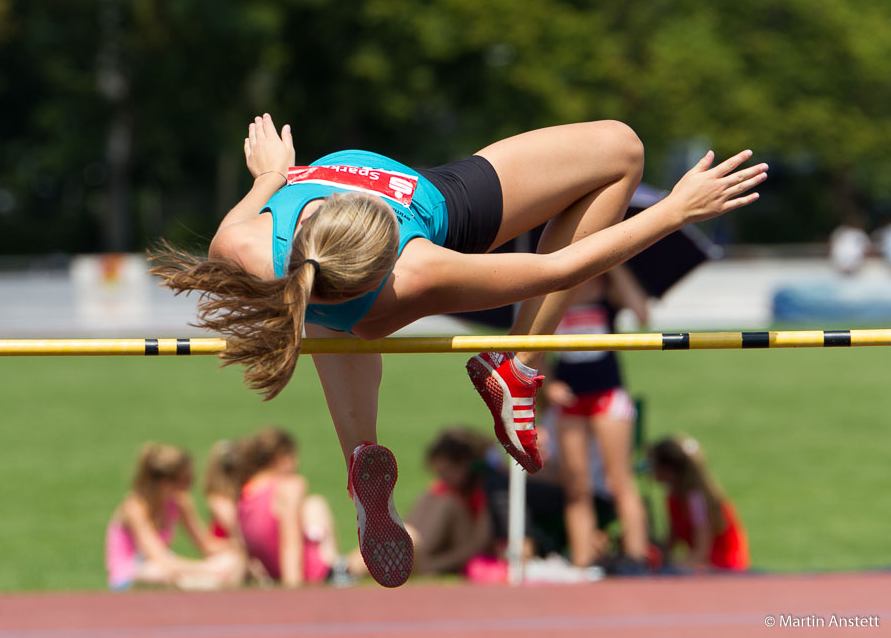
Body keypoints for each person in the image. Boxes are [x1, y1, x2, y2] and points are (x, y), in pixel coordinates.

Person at [150, 113, 767, 587]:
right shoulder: (417, 267)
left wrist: (269, 175)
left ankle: (361, 458)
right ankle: (517, 366)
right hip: (438, 206)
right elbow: (560, 268)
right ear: (387, 248)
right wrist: (673, 211)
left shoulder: (248, 247)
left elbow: (249, 215)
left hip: (331, 301)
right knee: (622, 149)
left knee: (330, 325)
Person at [544, 268, 649, 570]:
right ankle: (583, 562)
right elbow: (535, 346)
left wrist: (616, 266)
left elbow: (642, 315)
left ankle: (637, 558)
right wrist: (549, 385)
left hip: (607, 394)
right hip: (570, 400)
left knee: (619, 479)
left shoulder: (608, 290)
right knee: (576, 486)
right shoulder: (554, 294)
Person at [104, 443, 245, 591]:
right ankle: (205, 582)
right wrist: (207, 569)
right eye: (186, 480)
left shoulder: (179, 503)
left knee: (232, 559)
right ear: (165, 483)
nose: (189, 486)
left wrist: (239, 547)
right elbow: (159, 557)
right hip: (133, 574)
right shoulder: (135, 508)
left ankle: (203, 582)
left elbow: (206, 545)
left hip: (168, 568)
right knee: (155, 572)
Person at [236, 427, 358, 587]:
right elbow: (290, 542)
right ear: (282, 459)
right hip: (320, 574)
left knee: (312, 505)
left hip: (274, 575)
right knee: (315, 505)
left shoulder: (244, 496)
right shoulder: (289, 488)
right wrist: (293, 587)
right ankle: (341, 569)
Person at [647, 435, 750, 572]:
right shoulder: (674, 496)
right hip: (707, 565)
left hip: (723, 567)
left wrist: (671, 568)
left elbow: (701, 553)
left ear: (668, 469)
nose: (650, 471)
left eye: (653, 465)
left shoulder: (696, 500)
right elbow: (671, 542)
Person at [404, 428, 494, 577]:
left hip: (459, 552)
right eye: (439, 472)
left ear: (464, 465)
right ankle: (400, 547)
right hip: (430, 549)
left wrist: (432, 566)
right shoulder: (443, 488)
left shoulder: (483, 490)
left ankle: (407, 554)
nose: (443, 477)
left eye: (447, 471)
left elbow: (478, 544)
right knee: (428, 498)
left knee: (447, 503)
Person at [203, 439, 271, 585]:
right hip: (227, 553)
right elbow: (239, 534)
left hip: (236, 551)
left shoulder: (240, 496)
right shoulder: (220, 501)